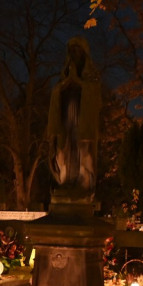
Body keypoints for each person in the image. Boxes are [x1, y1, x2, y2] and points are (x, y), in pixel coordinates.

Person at [47, 36, 101, 199]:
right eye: (72, 51)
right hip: (66, 124)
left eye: (78, 51)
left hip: (82, 124)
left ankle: (82, 185)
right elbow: (55, 96)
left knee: (82, 154)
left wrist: (78, 82)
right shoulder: (63, 81)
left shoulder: (92, 80)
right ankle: (66, 183)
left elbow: (96, 100)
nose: (74, 55)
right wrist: (65, 85)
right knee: (65, 153)